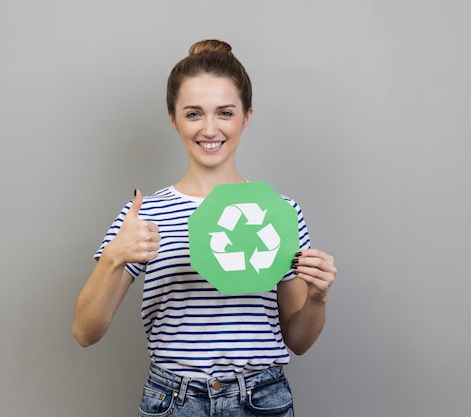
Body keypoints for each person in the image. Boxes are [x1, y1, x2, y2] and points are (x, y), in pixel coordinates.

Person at [73, 39, 337, 417]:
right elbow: (85, 331)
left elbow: (298, 339)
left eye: (225, 112)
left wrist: (318, 298)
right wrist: (114, 256)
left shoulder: (280, 213)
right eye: (194, 113)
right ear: (173, 117)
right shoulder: (144, 216)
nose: (210, 129)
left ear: (246, 116)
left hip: (261, 401)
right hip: (174, 402)